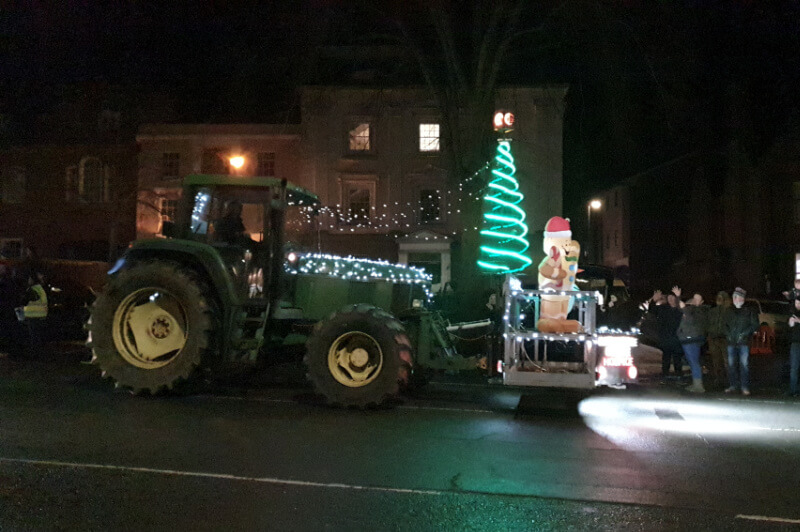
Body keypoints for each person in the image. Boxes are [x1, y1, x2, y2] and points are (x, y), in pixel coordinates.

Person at [724, 286, 758, 396]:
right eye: (734, 297)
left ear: (742, 299)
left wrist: (745, 334)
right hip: (731, 342)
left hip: (743, 342)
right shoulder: (729, 310)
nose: (735, 299)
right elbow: (724, 325)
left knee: (744, 365)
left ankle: (745, 387)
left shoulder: (749, 310)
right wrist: (728, 335)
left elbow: (755, 325)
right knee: (731, 365)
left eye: (737, 297)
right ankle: (733, 385)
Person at [674, 287, 708, 393]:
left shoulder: (700, 311)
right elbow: (680, 307)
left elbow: (687, 313)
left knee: (694, 362)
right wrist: (678, 297)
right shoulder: (692, 309)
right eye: (694, 298)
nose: (694, 300)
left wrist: (680, 300)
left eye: (697, 299)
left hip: (691, 339)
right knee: (692, 361)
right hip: (688, 339)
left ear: (701, 302)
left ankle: (698, 386)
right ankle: (696, 384)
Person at [649, 289, 684, 381]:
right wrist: (654, 300)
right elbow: (652, 311)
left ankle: (679, 375)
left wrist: (678, 297)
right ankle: (665, 375)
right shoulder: (663, 308)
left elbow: (683, 310)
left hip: (677, 338)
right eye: (669, 298)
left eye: (672, 297)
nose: (671, 299)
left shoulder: (679, 309)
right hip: (666, 338)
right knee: (666, 358)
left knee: (677, 359)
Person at [15, 273, 48, 355]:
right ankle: (38, 353)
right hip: (41, 315)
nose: (28, 281)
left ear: (33, 280)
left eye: (30, 279)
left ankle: (34, 353)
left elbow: (25, 301)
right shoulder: (40, 289)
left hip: (33, 315)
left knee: (33, 336)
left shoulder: (32, 289)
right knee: (37, 336)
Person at [706, 291, 733, 389]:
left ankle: (731, 381)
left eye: (721, 297)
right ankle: (718, 380)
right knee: (716, 361)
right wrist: (709, 335)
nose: (719, 299)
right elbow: (708, 323)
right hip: (713, 339)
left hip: (725, 339)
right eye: (718, 297)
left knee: (727, 362)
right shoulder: (712, 311)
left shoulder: (729, 311)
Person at [787, 298, 800, 397]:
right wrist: (791, 322)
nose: (798, 305)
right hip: (795, 343)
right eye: (796, 303)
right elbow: (789, 326)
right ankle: (793, 389)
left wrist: (798, 320)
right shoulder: (793, 313)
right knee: (794, 367)